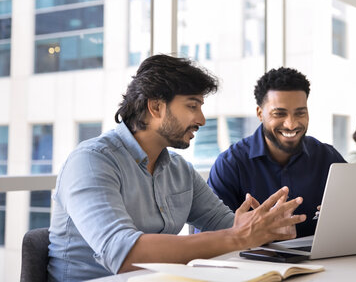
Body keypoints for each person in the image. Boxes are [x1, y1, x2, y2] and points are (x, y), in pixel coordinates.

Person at [47, 55, 306, 282]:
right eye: (192, 106)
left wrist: (267, 229)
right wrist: (239, 236)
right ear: (156, 106)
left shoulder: (179, 170)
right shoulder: (91, 161)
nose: (201, 119)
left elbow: (226, 226)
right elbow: (124, 254)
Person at [207, 67, 346, 238]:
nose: (291, 124)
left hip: (323, 261)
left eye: (300, 113)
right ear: (260, 113)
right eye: (279, 114)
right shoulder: (230, 164)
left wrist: (344, 217)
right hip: (252, 262)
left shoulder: (328, 157)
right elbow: (211, 236)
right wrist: (250, 229)